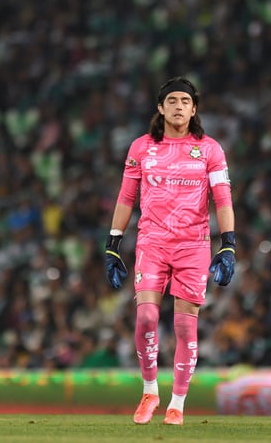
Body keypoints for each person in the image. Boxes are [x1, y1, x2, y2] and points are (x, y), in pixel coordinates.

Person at [105, 76, 236, 425]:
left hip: (194, 246)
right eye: (172, 101)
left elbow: (222, 199)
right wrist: (114, 242)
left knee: (184, 326)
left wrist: (229, 244)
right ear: (160, 108)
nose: (179, 106)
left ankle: (177, 403)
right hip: (152, 242)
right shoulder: (141, 148)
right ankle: (150, 391)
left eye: (186, 101)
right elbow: (126, 197)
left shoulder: (210, 149)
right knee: (147, 317)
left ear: (194, 110)